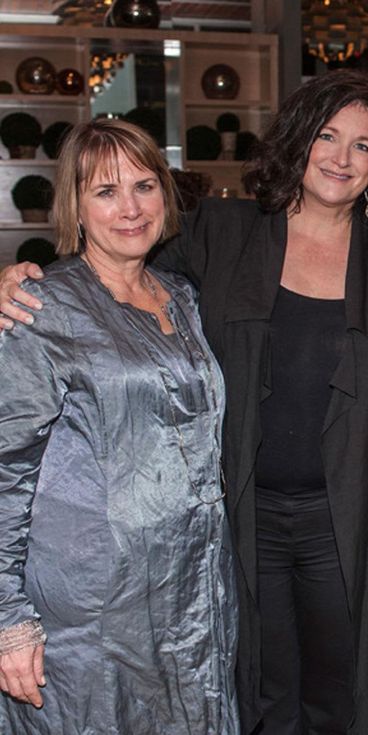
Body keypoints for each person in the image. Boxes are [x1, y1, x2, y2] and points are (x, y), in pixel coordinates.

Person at [0, 71, 368, 735]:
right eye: (326, 135)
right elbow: (108, 266)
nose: (342, 158)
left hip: (344, 524)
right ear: (298, 140)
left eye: (363, 145)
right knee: (256, 687)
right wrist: (20, 276)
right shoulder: (224, 234)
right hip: (238, 525)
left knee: (342, 692)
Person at [0, 119, 237, 733]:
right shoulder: (41, 307)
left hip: (193, 596)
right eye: (105, 191)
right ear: (75, 207)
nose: (130, 208)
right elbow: (5, 469)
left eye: (144, 185)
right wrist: (7, 618)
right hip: (88, 613)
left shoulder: (184, 297)